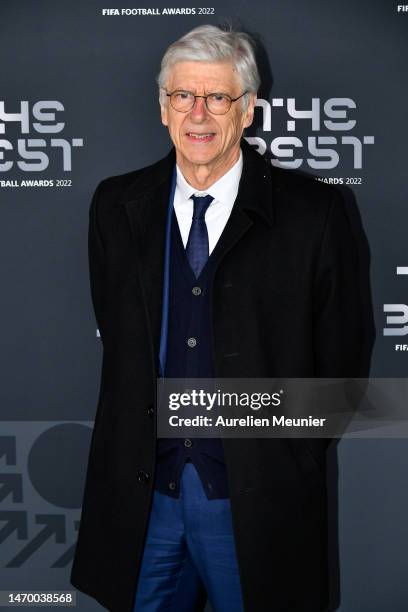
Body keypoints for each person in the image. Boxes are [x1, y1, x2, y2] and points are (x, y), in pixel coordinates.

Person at [70, 24, 374, 612]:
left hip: (256, 500)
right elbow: (115, 330)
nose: (199, 114)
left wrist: (290, 455)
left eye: (219, 97)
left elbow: (342, 359)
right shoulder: (116, 205)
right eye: (183, 96)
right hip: (144, 499)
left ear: (248, 109)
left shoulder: (315, 213)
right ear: (163, 108)